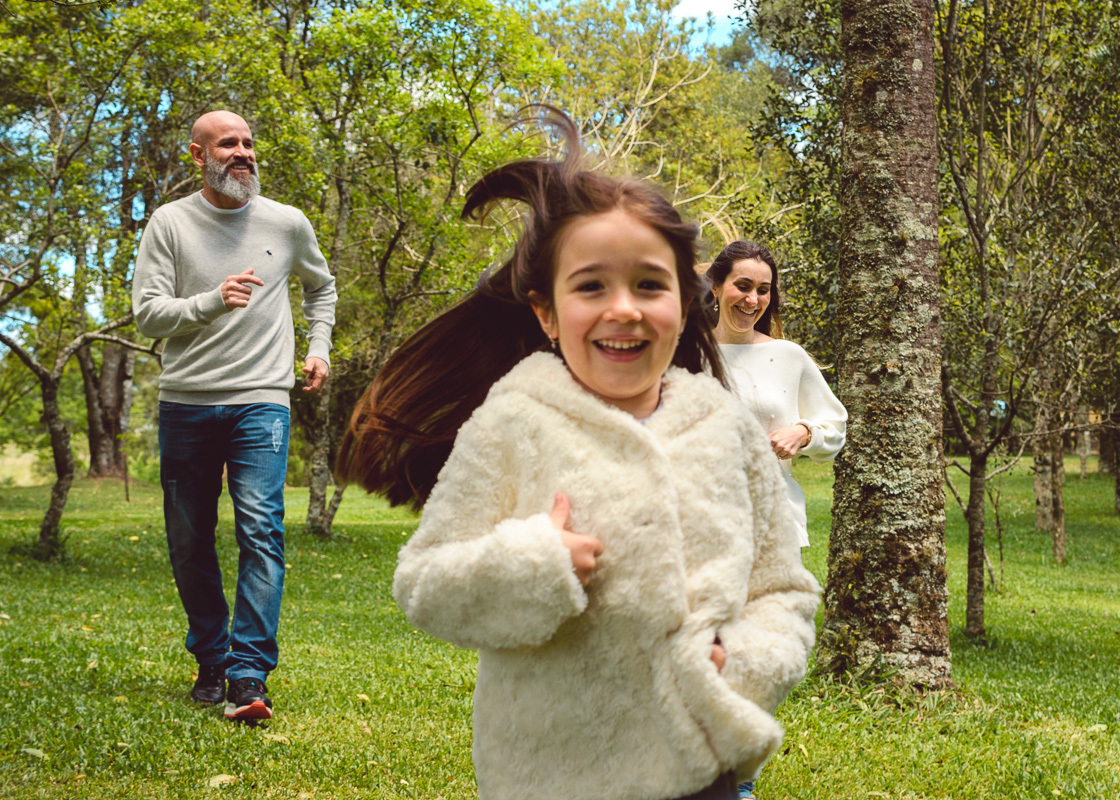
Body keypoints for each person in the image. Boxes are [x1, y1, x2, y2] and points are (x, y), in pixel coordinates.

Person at [336, 113, 819, 800]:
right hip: (552, 772)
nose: (622, 309)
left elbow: (785, 589)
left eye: (649, 286)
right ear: (546, 312)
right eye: (591, 286)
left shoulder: (725, 426)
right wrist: (535, 562)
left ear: (686, 305)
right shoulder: (513, 422)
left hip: (700, 755)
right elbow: (425, 584)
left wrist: (743, 664)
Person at [132, 110, 337, 722]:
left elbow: (320, 288)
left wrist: (318, 346)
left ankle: (249, 675)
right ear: (198, 156)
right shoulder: (170, 223)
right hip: (187, 401)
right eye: (229, 144)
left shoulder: (287, 222)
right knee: (189, 538)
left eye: (249, 142)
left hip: (262, 400)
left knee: (261, 530)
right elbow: (146, 313)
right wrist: (211, 301)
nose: (244, 152)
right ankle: (211, 659)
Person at [704, 240, 846, 798]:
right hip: (702, 519)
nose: (753, 298)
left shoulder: (789, 357)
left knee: (761, 652)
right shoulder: (685, 353)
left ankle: (741, 779)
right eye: (742, 285)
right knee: (704, 645)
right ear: (716, 286)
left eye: (763, 288)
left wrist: (804, 432)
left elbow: (834, 421)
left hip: (773, 522)